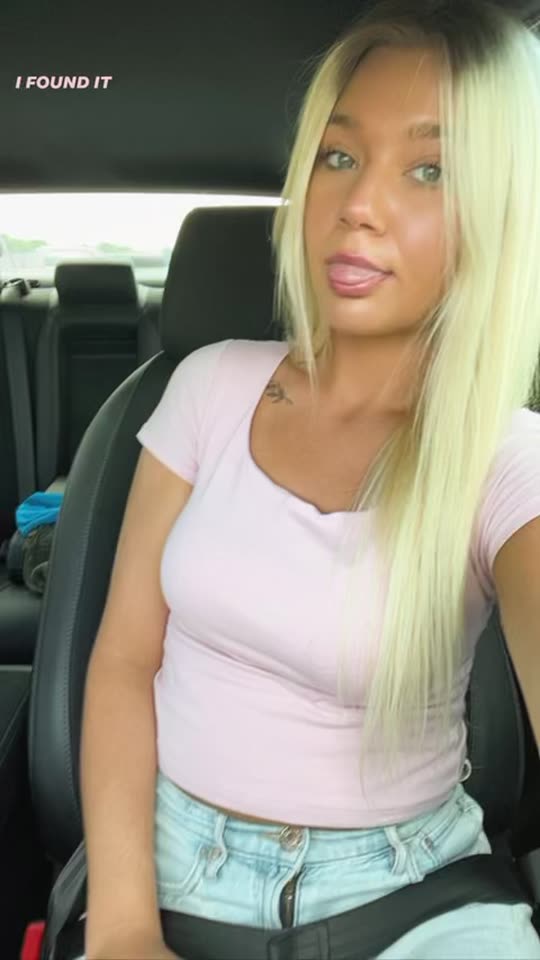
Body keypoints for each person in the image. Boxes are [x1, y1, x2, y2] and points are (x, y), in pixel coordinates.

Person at [81, 1, 540, 957]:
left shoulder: (507, 460)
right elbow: (124, 661)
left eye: (430, 170)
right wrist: (122, 924)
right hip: (166, 859)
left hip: (411, 888)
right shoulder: (208, 388)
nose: (359, 203)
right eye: (339, 155)